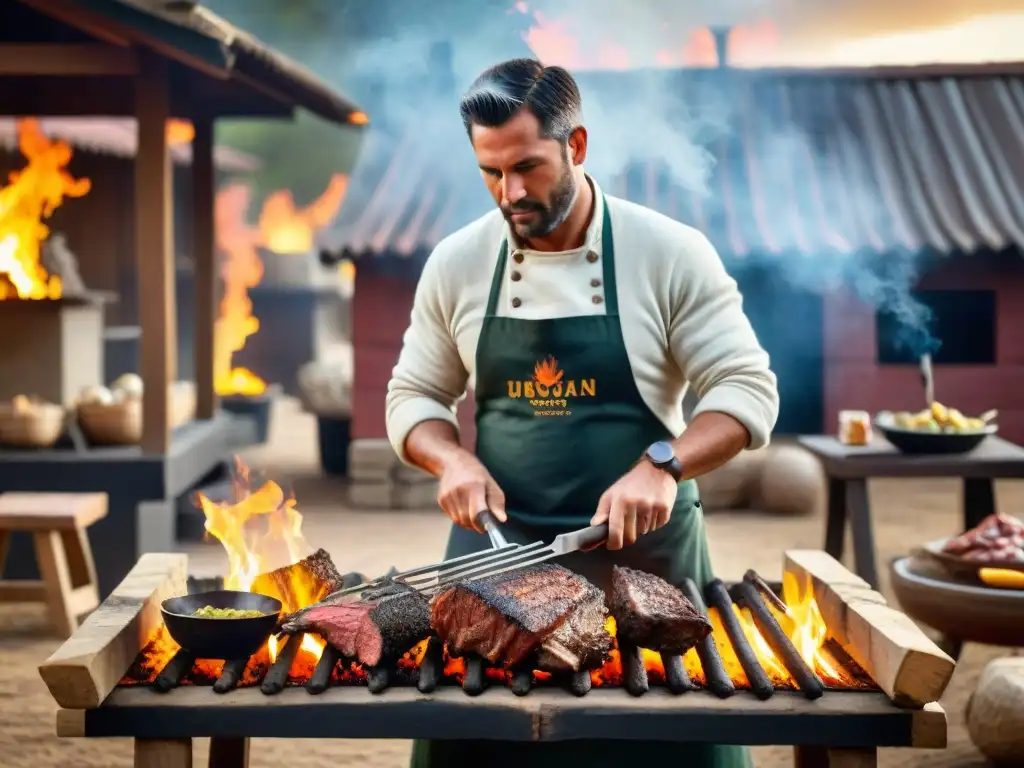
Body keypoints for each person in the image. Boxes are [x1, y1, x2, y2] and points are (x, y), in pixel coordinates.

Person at [387, 58, 779, 768]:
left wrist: (663, 465)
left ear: (577, 146)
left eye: (528, 168)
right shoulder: (458, 262)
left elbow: (745, 389)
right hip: (499, 563)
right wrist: (450, 458)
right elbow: (413, 396)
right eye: (489, 172)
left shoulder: (669, 253)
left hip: (643, 567)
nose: (510, 193)